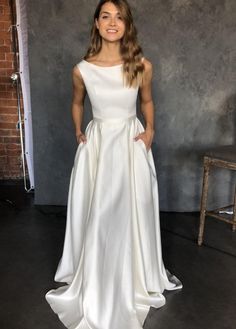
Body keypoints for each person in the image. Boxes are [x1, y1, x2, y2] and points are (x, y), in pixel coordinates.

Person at [45, 1, 183, 328]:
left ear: (126, 24)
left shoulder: (140, 65)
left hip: (131, 144)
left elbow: (147, 101)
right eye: (105, 16)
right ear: (96, 23)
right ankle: (97, 269)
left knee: (129, 209)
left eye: (119, 17)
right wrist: (79, 130)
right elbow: (77, 102)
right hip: (99, 146)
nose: (112, 22)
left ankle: (134, 270)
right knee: (101, 210)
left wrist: (150, 131)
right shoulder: (82, 69)